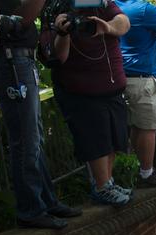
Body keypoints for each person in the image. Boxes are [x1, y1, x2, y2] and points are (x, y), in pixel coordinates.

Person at [0, 0, 82, 229]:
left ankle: (46, 201)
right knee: (26, 141)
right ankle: (31, 210)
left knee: (34, 138)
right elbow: (21, 19)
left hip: (18, 61)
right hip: (9, 61)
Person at [50, 1, 132, 206]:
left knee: (113, 137)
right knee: (97, 140)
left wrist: (107, 27)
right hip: (83, 90)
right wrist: (63, 32)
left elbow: (124, 22)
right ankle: (101, 186)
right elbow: (60, 56)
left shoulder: (101, 4)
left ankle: (108, 183)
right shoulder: (58, 8)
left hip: (112, 88)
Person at [115, 0, 156, 186]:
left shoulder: (114, 5)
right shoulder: (141, 8)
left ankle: (140, 170)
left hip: (123, 77)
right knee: (148, 128)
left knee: (137, 127)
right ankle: (146, 173)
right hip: (141, 80)